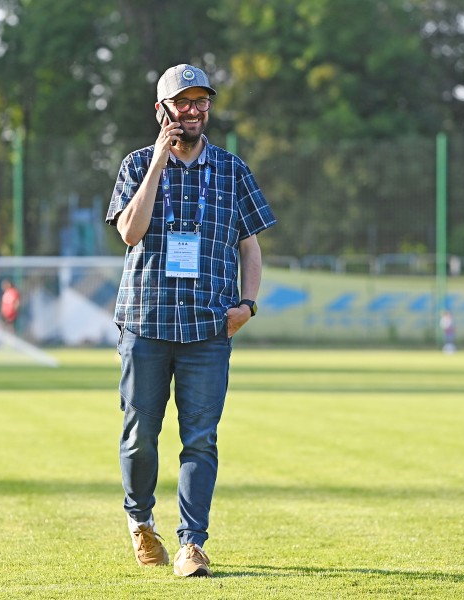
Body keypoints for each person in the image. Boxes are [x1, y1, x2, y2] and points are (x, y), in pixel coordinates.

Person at [105, 63, 276, 577]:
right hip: (146, 322)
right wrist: (158, 161)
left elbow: (250, 245)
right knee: (140, 435)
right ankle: (140, 523)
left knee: (200, 438)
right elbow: (131, 234)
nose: (194, 110)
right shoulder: (136, 165)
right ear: (162, 111)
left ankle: (191, 545)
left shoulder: (231, 169)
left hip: (207, 329)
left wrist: (247, 305)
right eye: (183, 102)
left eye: (201, 101)